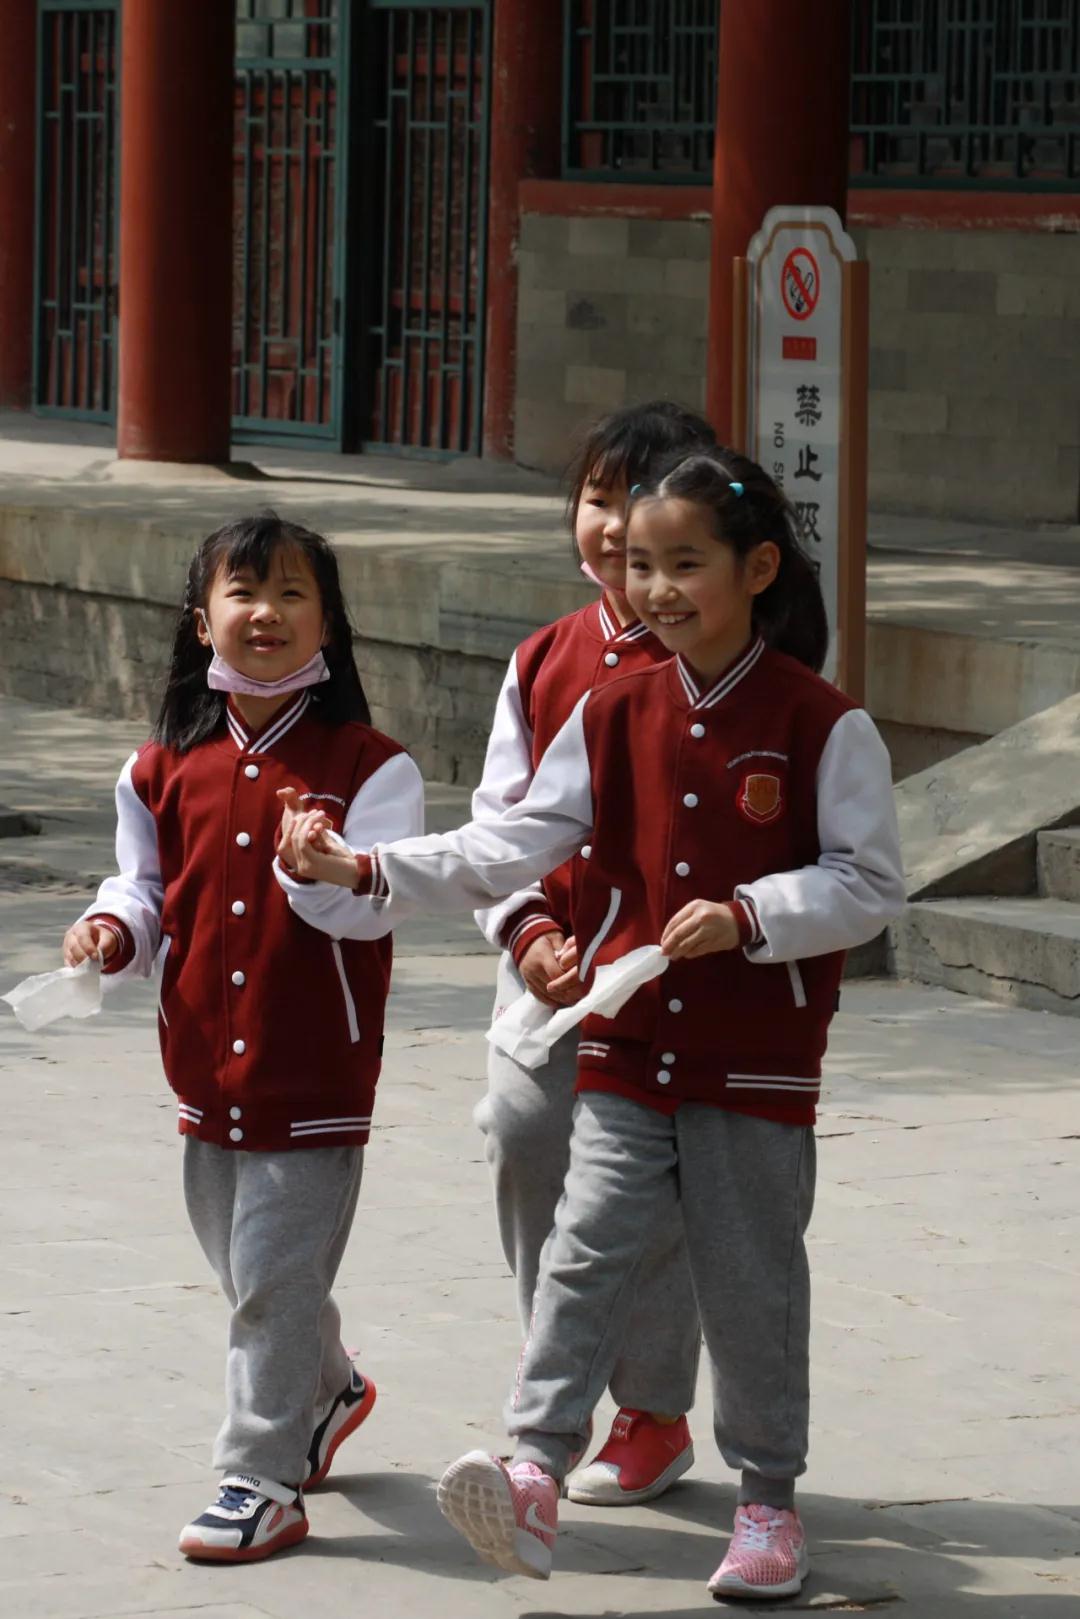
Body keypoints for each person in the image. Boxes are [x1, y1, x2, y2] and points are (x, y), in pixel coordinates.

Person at [278, 448, 905, 1600]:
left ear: (759, 568)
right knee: (583, 1251)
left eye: (686, 564)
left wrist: (755, 914)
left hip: (755, 1061)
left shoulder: (822, 721)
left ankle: (767, 1500)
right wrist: (367, 865)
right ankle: (533, 1468)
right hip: (624, 1039)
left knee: (752, 1282)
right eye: (642, 564)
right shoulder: (610, 708)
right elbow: (512, 841)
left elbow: (869, 884)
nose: (657, 588)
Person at [61, 514, 423, 1563]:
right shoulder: (159, 766)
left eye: (293, 593)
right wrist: (111, 930)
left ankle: (260, 1476)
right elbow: (143, 888)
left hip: (313, 1068)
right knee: (252, 1270)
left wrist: (324, 870)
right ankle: (329, 1385)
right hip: (201, 1063)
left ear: (329, 623)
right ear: (201, 618)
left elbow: (381, 904)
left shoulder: (371, 766)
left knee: (269, 1277)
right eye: (244, 592)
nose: (267, 613)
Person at [469, 401, 716, 1507]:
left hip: (668, 978)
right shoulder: (542, 658)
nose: (615, 528)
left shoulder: (725, 661)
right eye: (598, 499)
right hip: (552, 969)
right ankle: (555, 1385)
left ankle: (652, 1411)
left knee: (650, 1191)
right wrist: (528, 930)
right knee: (525, 1138)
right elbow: (498, 824)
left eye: (642, 504)